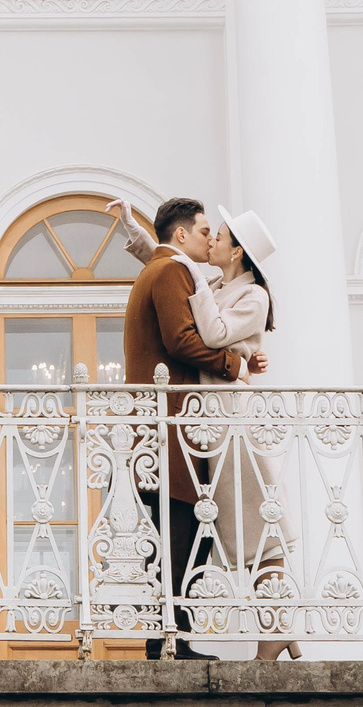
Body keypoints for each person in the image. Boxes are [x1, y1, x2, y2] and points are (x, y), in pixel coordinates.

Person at [116, 197, 301, 660]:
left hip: (229, 423)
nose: (212, 238)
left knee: (259, 528)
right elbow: (171, 272)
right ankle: (275, 627)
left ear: (237, 252)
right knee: (224, 530)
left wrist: (238, 362)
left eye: (219, 235)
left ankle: (276, 629)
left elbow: (209, 328)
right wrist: (144, 236)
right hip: (204, 425)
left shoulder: (251, 295)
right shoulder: (213, 281)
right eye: (206, 231)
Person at [119, 195, 236, 659]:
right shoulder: (171, 271)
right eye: (205, 230)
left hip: (158, 427)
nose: (212, 238)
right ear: (182, 234)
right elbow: (181, 339)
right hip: (169, 428)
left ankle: (168, 638)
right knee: (182, 529)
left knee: (173, 531)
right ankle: (173, 640)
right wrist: (234, 364)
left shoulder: (160, 268)